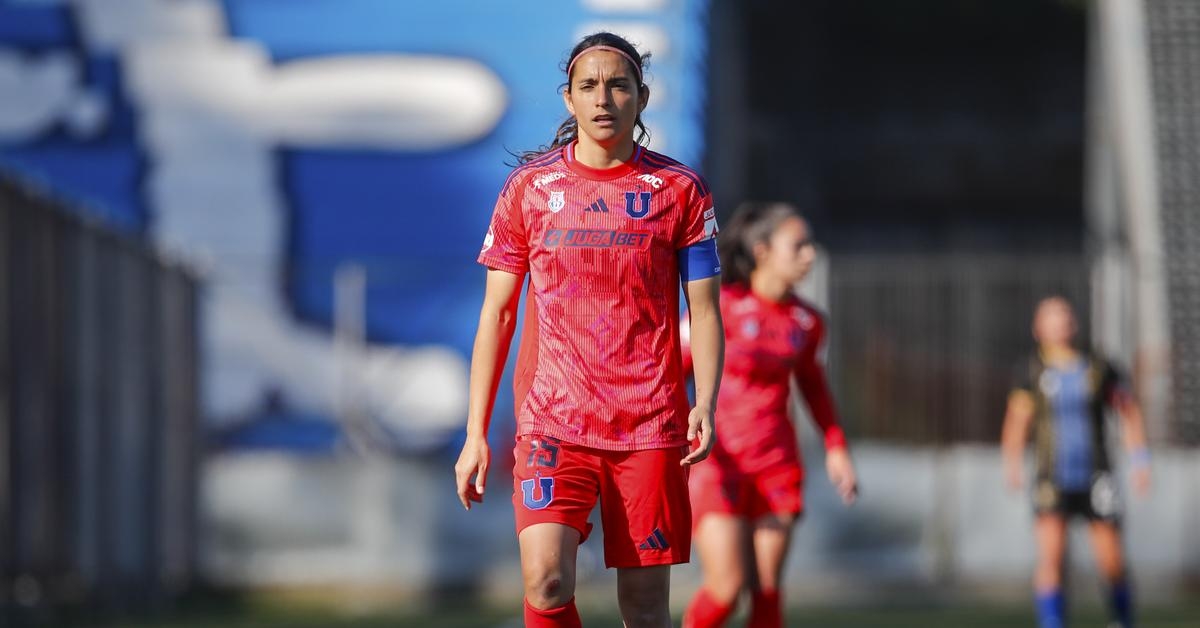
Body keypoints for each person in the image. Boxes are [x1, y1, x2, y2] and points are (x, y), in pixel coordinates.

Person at [453, 32, 725, 628]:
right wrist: (476, 432)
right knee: (546, 581)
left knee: (647, 608)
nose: (604, 98)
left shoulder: (679, 190)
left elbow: (703, 310)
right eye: (589, 86)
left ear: (642, 98)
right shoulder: (529, 189)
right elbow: (497, 314)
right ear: (568, 99)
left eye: (619, 84)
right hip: (555, 421)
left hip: (649, 423)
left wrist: (704, 400)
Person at [681, 202, 858, 628]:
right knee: (726, 587)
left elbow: (813, 385)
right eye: (798, 245)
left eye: (810, 245)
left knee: (767, 589)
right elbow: (672, 370)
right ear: (762, 250)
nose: (810, 254)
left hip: (776, 464)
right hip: (717, 463)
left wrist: (835, 446)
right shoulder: (717, 309)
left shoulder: (807, 321)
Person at [1001, 296, 1151, 628]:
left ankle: (1122, 619)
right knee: (1051, 557)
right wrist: (1011, 463)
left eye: (1065, 316)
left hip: (1097, 474)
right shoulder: (1032, 370)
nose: (1060, 324)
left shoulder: (1098, 366)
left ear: (1075, 323)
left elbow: (1128, 411)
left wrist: (1140, 459)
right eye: (1051, 318)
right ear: (1037, 328)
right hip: (1051, 476)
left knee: (1111, 560)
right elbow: (1016, 422)